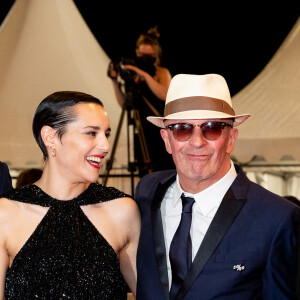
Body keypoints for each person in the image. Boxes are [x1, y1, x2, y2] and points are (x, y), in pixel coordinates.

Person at [134, 73, 300, 299]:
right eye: (182, 128)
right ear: (166, 139)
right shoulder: (147, 192)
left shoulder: (278, 219)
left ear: (231, 138)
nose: (197, 141)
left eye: (212, 128)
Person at [0, 91, 141, 299]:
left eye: (106, 134)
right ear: (50, 138)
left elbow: (151, 292)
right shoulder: (6, 214)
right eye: (92, 133)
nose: (105, 146)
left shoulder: (123, 211)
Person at [108, 26, 175, 176]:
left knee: (164, 170)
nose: (144, 58)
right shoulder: (133, 76)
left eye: (148, 55)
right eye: (141, 55)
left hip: (160, 130)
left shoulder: (161, 72)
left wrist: (143, 74)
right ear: (136, 52)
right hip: (141, 131)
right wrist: (114, 81)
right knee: (145, 173)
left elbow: (164, 94)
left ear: (155, 54)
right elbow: (125, 104)